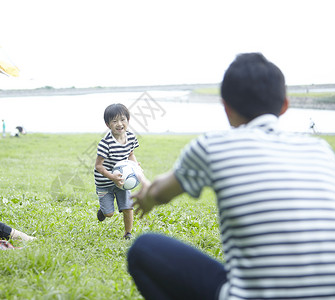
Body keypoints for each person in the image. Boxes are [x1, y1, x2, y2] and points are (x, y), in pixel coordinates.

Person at [127, 53, 335, 299]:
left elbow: (159, 193)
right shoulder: (321, 150)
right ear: (285, 105)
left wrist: (148, 197)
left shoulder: (213, 145)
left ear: (226, 107)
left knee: (144, 248)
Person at [94, 103, 144, 240]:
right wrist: (112, 177)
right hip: (104, 182)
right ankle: (104, 211)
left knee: (128, 207)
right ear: (108, 124)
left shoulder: (131, 138)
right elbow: (98, 166)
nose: (119, 124)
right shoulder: (105, 143)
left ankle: (128, 233)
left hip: (123, 181)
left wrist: (135, 166)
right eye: (114, 121)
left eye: (122, 119)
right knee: (109, 213)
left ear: (128, 120)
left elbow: (131, 154)